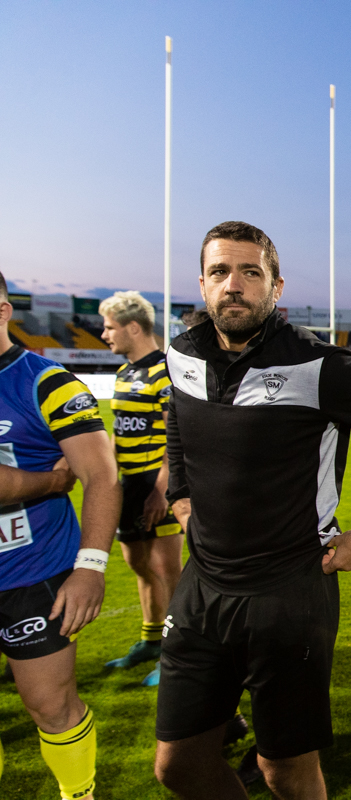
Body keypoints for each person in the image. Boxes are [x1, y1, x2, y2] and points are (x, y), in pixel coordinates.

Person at [153, 221, 351, 800]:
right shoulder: (181, 352)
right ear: (202, 284)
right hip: (201, 587)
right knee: (176, 766)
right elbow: (177, 414)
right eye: (221, 272)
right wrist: (178, 492)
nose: (235, 285)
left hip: (290, 592)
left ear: (276, 286)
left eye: (252, 272)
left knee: (284, 772)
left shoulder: (317, 365)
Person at [0, 270, 122, 800]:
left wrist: (90, 566)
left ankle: (79, 794)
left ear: (2, 310)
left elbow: (102, 475)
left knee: (50, 705)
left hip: (32, 574)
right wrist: (46, 479)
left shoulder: (44, 380)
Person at [98, 291, 182, 688]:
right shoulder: (124, 373)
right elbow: (118, 433)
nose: (104, 335)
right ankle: (150, 640)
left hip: (155, 483)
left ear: (134, 327)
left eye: (110, 327)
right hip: (128, 483)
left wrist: (161, 489)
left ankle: (176, 652)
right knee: (137, 564)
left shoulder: (166, 372)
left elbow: (175, 437)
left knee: (167, 569)